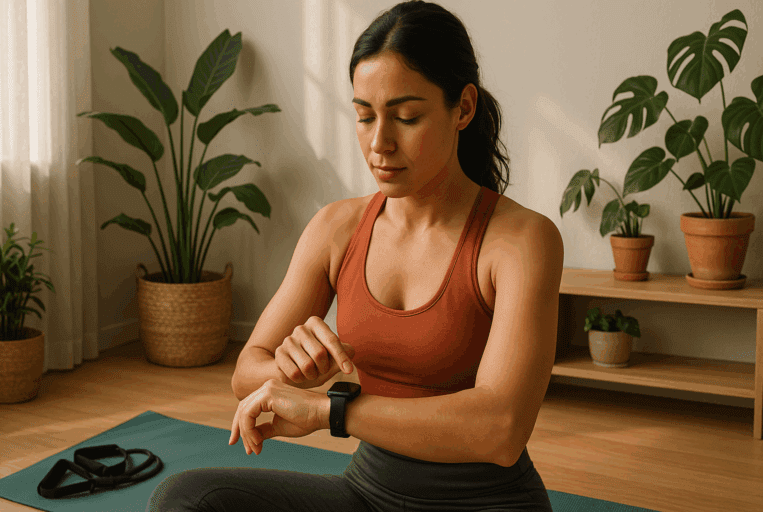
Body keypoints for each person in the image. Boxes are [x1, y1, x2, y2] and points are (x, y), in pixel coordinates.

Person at [147, 1, 563, 510]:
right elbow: (247, 373)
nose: (379, 143)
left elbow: (500, 429)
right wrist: (294, 370)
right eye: (365, 116)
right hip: (369, 493)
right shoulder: (337, 228)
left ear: (464, 108)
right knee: (185, 500)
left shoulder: (521, 241)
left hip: (485, 503)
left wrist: (330, 410)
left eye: (406, 117)